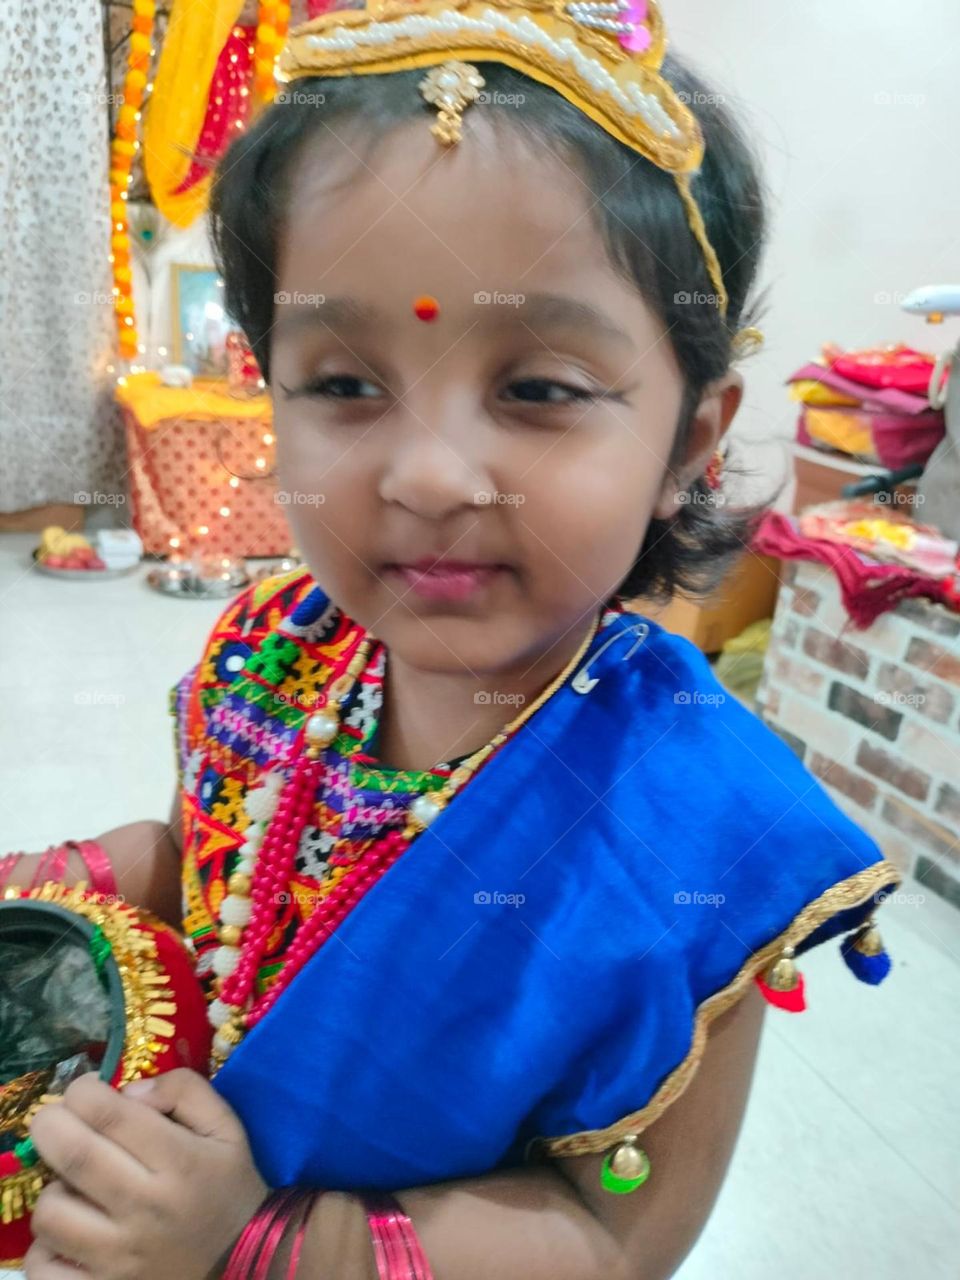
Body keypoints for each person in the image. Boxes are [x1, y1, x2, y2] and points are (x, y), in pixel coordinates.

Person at [7, 1, 902, 1276]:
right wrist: (80, 882)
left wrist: (250, 1238)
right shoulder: (272, 649)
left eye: (538, 389)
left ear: (688, 444)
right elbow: (220, 881)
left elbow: (615, 1241)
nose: (428, 474)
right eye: (344, 384)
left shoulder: (695, 824)